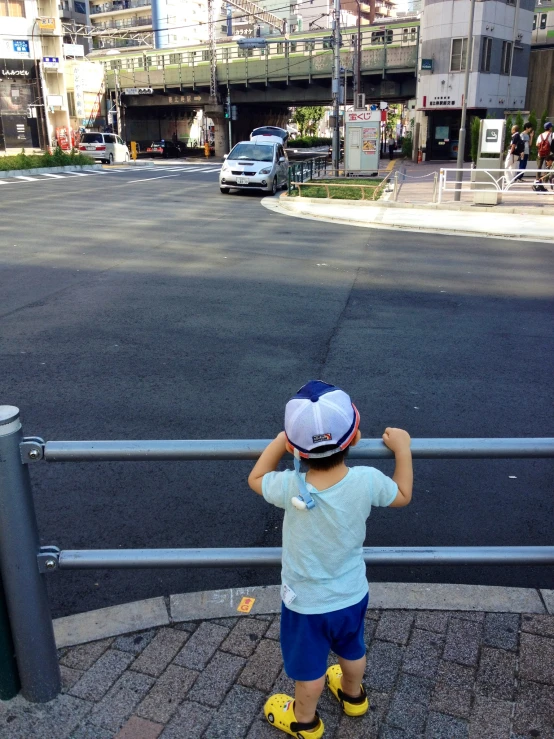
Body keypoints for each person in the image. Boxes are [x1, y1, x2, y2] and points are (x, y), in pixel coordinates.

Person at [248, 380, 413, 738]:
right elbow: (402, 494)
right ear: (354, 438)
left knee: (310, 670)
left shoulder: (291, 486)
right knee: (352, 649)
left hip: (306, 604)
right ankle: (353, 697)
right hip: (352, 592)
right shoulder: (367, 480)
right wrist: (402, 450)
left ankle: (304, 721)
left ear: (295, 448)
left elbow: (256, 477)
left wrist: (279, 443)